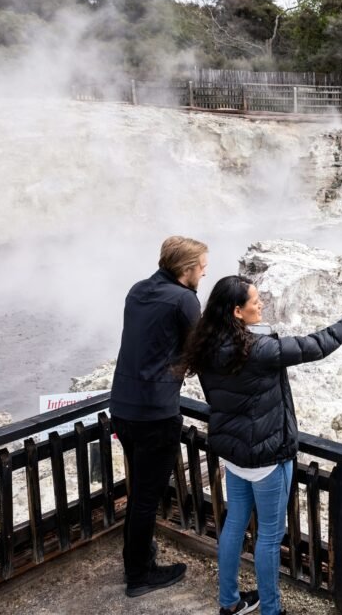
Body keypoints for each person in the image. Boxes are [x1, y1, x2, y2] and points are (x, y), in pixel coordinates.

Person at [181, 274, 342, 615]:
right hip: (267, 457)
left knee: (235, 522)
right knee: (268, 536)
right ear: (237, 311)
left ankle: (229, 602)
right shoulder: (258, 349)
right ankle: (271, 609)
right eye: (255, 301)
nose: (261, 303)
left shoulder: (205, 344)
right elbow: (317, 345)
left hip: (235, 455)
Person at [110, 235, 209, 598]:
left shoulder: (138, 290)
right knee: (146, 499)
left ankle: (139, 556)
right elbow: (200, 351)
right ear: (186, 270)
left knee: (138, 491)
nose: (204, 272)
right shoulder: (185, 300)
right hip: (155, 413)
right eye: (201, 267)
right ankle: (139, 575)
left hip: (122, 405)